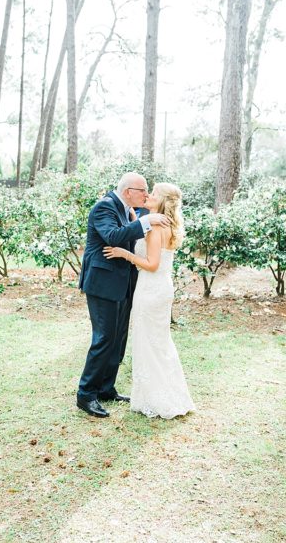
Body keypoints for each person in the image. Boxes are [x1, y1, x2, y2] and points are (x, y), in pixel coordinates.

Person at [76, 173, 170, 418]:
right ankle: (86, 394)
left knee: (118, 339)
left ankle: (107, 388)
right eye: (143, 190)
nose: (146, 195)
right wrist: (147, 220)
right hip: (102, 284)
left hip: (126, 284)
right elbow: (114, 237)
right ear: (129, 190)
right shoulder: (104, 208)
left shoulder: (130, 209)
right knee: (104, 338)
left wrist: (145, 219)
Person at [103, 183, 195, 419]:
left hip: (151, 289)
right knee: (159, 343)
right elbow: (140, 226)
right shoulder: (164, 223)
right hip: (162, 288)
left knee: (149, 342)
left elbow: (151, 264)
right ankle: (165, 394)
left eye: (153, 193)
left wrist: (125, 254)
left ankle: (157, 398)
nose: (148, 195)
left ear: (162, 200)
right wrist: (132, 214)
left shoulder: (156, 228)